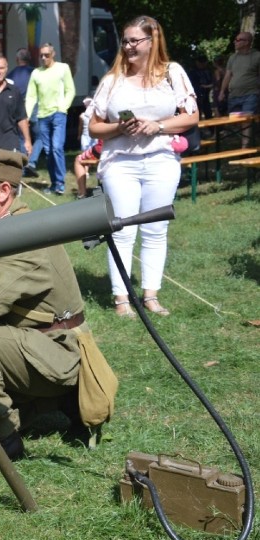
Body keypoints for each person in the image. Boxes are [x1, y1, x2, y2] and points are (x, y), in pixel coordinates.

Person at [0, 147, 111, 470]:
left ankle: (3, 440)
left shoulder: (21, 239)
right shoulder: (3, 227)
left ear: (4, 191)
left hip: (57, 354)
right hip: (31, 345)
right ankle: (49, 403)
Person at [88, 15, 198, 318]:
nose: (127, 46)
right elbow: (94, 127)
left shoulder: (172, 73)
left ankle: (151, 295)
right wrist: (118, 129)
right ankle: (122, 298)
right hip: (120, 163)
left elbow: (190, 117)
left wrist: (157, 126)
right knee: (122, 229)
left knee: (155, 229)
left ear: (153, 41)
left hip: (162, 161)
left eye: (134, 40)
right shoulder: (113, 80)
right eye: (125, 40)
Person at [25, 43, 76, 195]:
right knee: (48, 152)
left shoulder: (63, 68)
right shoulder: (36, 73)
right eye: (41, 55)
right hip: (42, 116)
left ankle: (60, 183)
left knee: (56, 148)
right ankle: (54, 183)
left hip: (58, 114)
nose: (43, 58)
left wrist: (63, 107)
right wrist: (27, 115)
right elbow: (31, 96)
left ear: (53, 54)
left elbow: (70, 90)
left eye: (46, 55)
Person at [219, 31, 260, 148]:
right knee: (235, 122)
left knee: (246, 121)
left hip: (251, 94)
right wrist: (222, 91)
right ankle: (247, 142)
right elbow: (228, 75)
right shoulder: (233, 57)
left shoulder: (257, 56)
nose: (234, 42)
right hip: (233, 95)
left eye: (238, 40)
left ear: (246, 42)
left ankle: (244, 148)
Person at [7, 47, 40, 177]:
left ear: (17, 60)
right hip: (35, 108)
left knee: (21, 138)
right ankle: (32, 162)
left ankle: (23, 166)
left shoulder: (12, 75)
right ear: (30, 59)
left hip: (18, 109)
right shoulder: (36, 72)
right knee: (40, 137)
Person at [187, 55, 214, 121]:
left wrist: (207, 86)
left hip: (205, 95)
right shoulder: (193, 72)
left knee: (208, 113)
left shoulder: (207, 71)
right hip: (196, 95)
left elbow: (211, 82)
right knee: (197, 114)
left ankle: (212, 129)